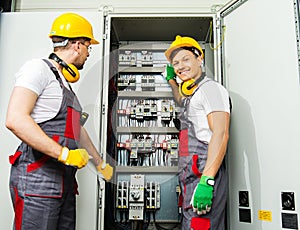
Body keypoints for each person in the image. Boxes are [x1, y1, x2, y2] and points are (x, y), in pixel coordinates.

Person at [5, 12, 113, 230]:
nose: (88, 53)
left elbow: (77, 131)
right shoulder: (38, 69)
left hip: (63, 182)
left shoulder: (64, 83)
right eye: (88, 47)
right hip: (38, 181)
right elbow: (16, 119)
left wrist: (99, 162)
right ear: (77, 45)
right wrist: (64, 154)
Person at [164, 35, 231, 230]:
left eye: (186, 59)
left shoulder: (211, 90)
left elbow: (221, 133)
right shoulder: (192, 92)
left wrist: (207, 181)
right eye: (175, 63)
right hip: (191, 177)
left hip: (203, 176)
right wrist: (171, 81)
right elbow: (180, 99)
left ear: (199, 59)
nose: (180, 66)